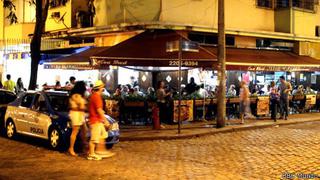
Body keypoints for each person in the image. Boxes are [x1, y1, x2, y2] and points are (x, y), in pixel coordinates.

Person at [88, 80, 114, 160]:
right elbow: (99, 110)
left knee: (102, 135)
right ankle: (91, 154)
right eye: (102, 86)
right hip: (95, 120)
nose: (103, 87)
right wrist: (105, 120)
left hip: (96, 120)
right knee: (94, 139)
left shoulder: (94, 96)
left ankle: (101, 151)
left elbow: (98, 109)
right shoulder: (97, 97)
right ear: (100, 88)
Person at [68, 81, 88, 156]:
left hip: (79, 114)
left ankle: (84, 147)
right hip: (76, 114)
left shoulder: (77, 95)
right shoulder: (76, 96)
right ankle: (71, 148)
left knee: (84, 130)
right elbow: (81, 106)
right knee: (75, 131)